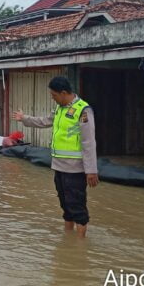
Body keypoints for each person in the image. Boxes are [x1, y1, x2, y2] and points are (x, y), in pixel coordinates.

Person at [13, 76, 99, 238]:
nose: (52, 98)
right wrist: (25, 118)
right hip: (59, 166)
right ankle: (68, 240)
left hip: (75, 169)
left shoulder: (83, 110)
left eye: (54, 95)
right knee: (65, 205)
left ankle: (80, 246)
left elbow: (89, 142)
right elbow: (45, 121)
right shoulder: (60, 108)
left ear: (64, 93)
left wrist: (91, 170)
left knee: (76, 206)